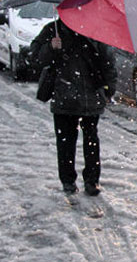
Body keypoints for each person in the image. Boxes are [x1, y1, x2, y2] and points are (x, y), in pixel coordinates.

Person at [33, 18, 117, 196]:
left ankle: (91, 180)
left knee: (91, 140)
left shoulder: (94, 29)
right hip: (64, 96)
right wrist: (51, 47)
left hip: (90, 96)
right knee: (66, 141)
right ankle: (68, 180)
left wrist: (109, 89)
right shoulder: (54, 30)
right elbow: (34, 57)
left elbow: (107, 61)